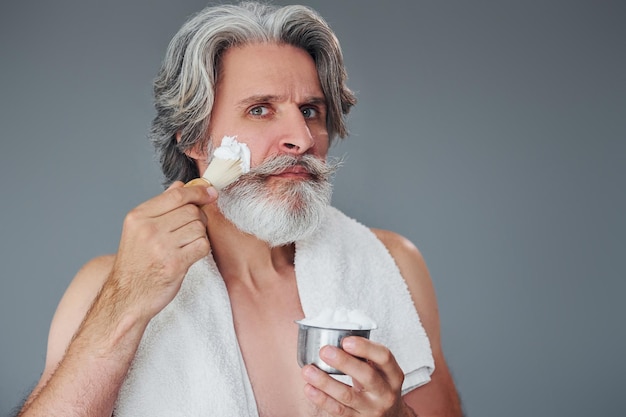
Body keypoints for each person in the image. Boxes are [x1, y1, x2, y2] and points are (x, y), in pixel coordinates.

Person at [18, 2, 462, 416]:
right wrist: (125, 304)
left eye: (310, 110)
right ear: (193, 137)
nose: (302, 140)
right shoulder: (105, 288)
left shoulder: (391, 265)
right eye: (261, 109)